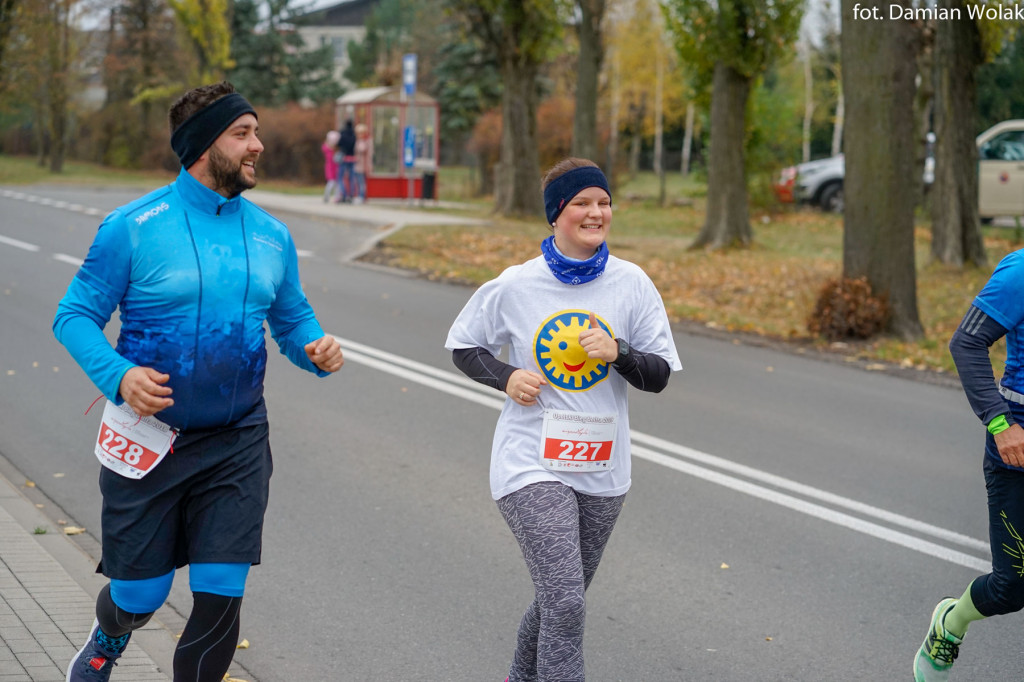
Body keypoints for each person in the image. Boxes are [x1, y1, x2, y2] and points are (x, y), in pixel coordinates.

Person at [53, 81, 344, 682]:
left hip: (236, 439)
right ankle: (110, 634)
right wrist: (120, 375)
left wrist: (316, 349)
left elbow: (292, 321)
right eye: (242, 133)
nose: (258, 145)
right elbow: (73, 316)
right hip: (148, 436)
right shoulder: (132, 227)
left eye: (255, 132)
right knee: (141, 594)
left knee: (219, 592)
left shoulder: (271, 235)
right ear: (200, 146)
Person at [444, 157, 681, 681]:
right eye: (582, 204)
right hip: (530, 460)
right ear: (556, 213)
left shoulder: (632, 284)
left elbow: (659, 374)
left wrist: (617, 351)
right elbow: (464, 345)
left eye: (604, 202)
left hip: (603, 467)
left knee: (558, 602)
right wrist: (505, 377)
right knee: (566, 601)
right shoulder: (516, 285)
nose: (596, 213)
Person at [913, 248, 1024, 681]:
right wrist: (1000, 424)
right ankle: (950, 623)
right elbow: (967, 341)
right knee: (1011, 586)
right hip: (1017, 445)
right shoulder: (1020, 272)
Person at [335, 118, 356, 203]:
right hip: (352, 158)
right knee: (351, 177)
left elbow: (338, 144)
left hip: (343, 157)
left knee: (340, 177)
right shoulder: (354, 134)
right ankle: (350, 195)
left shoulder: (342, 133)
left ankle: (343, 194)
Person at [352, 122, 371, 204]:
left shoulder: (364, 141)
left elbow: (361, 150)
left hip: (362, 165)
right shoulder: (364, 141)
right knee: (359, 181)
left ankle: (361, 196)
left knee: (361, 182)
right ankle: (361, 195)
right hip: (359, 165)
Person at [321, 129, 340, 202]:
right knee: (331, 182)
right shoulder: (328, 149)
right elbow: (331, 158)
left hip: (335, 168)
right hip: (330, 168)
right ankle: (327, 196)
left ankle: (337, 197)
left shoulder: (334, 150)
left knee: (337, 184)